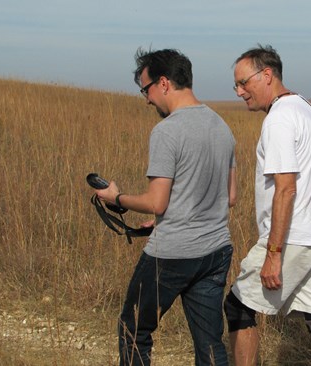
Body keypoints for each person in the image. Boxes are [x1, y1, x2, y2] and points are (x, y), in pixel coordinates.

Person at [94, 48, 237, 366]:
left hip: (172, 254)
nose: (146, 99)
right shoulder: (221, 127)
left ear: (163, 83)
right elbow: (229, 196)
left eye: (145, 89)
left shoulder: (167, 131)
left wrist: (115, 198)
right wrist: (169, 216)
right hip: (215, 251)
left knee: (133, 330)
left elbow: (155, 201)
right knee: (210, 344)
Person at [223, 44, 311, 365]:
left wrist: (274, 254)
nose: (239, 91)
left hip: (294, 239)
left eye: (243, 83)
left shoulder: (279, 119)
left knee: (239, 307)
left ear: (267, 75)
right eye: (236, 85)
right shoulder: (308, 110)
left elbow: (286, 189)